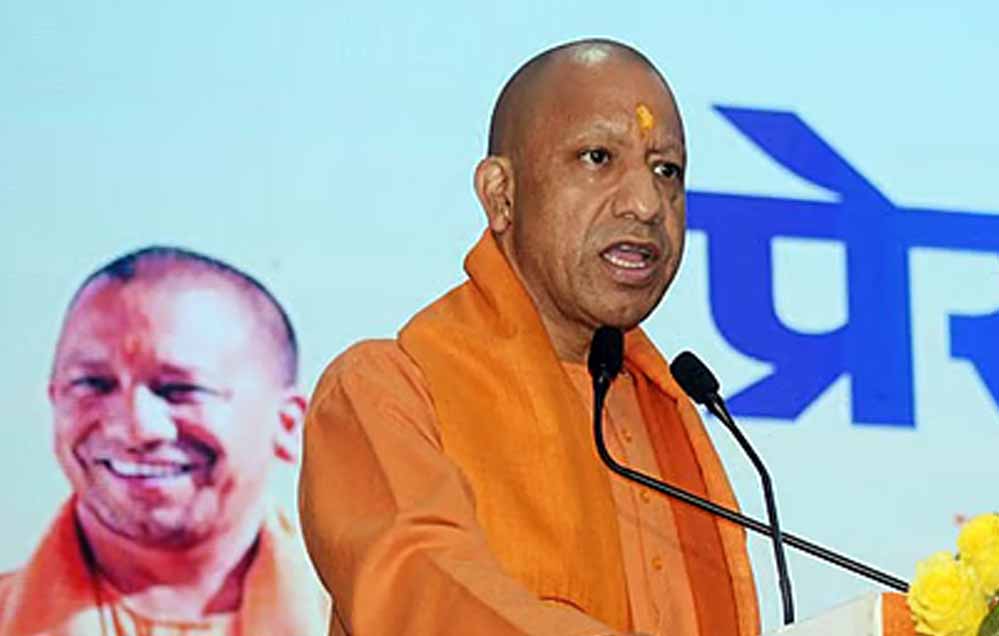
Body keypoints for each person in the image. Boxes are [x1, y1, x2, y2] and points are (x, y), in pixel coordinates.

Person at [299, 39, 760, 635]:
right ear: (501, 194)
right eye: (597, 158)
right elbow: (428, 595)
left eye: (665, 170)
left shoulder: (665, 412)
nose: (647, 204)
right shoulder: (386, 391)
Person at [0, 247, 328, 635]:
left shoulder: (371, 621)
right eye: (93, 384)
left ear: (288, 424)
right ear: (55, 399)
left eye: (179, 389)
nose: (135, 429)